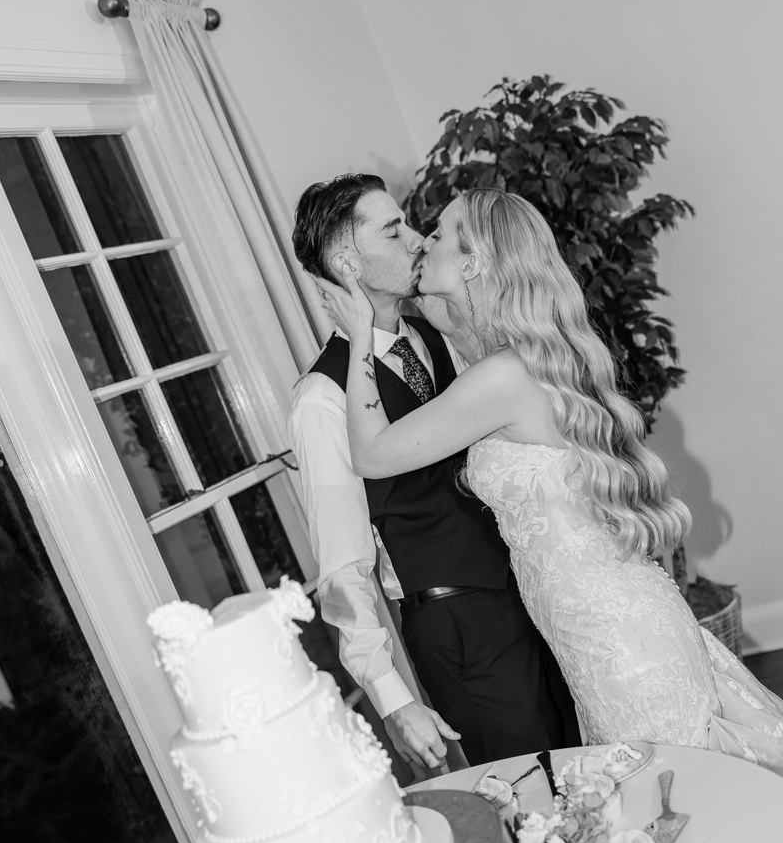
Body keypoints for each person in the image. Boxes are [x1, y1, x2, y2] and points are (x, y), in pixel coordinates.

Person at [316, 187, 783, 772]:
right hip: (601, 624)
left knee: (677, 790)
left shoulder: (501, 376)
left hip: (615, 640)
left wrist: (361, 336)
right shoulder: (511, 358)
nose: (420, 242)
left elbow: (373, 454)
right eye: (402, 230)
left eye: (436, 233)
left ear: (473, 261)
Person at [288, 175, 580, 773]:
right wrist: (392, 698)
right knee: (535, 789)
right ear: (347, 264)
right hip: (461, 626)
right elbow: (342, 569)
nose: (418, 239)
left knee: (588, 762)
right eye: (393, 230)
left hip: (535, 594)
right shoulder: (321, 398)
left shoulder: (433, 334)